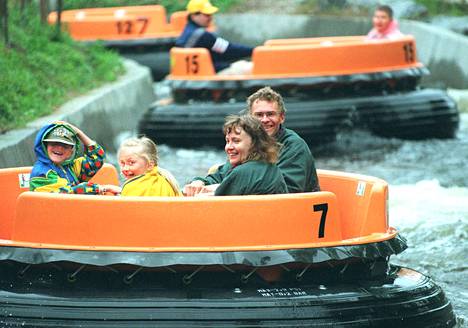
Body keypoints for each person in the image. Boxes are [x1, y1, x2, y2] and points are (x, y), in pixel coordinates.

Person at [185, 87, 320, 194]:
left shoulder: (294, 145)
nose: (265, 120)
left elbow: (287, 191)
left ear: (282, 117)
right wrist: (200, 182)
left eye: (270, 114)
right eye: (259, 115)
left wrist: (229, 187)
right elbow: (224, 174)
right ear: (250, 118)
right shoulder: (247, 147)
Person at [184, 114, 287, 196]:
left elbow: (211, 202)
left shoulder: (242, 172)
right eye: (227, 141)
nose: (229, 147)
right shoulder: (271, 167)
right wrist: (199, 181)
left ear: (255, 144)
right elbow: (219, 178)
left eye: (236, 141)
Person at [30, 121, 120, 195]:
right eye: (54, 144)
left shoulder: (69, 167)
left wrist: (78, 132)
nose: (59, 148)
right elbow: (67, 193)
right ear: (45, 147)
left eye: (65, 146)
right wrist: (103, 188)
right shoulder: (41, 173)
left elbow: (97, 159)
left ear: (71, 152)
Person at [175, 0, 253, 74]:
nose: (210, 17)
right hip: (209, 74)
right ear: (193, 16)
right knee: (251, 67)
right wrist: (254, 51)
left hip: (198, 74)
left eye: (211, 14)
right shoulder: (203, 36)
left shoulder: (188, 31)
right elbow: (229, 49)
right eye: (206, 15)